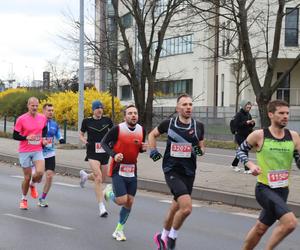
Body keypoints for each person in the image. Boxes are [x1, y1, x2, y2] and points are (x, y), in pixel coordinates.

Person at [236, 100, 299, 250]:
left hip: (283, 190)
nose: (285, 116)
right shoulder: (259, 135)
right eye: (281, 113)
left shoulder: (294, 136)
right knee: (290, 223)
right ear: (271, 114)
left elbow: (298, 161)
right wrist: (251, 165)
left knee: (260, 229)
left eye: (287, 113)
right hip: (264, 189)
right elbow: (240, 150)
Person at [148, 94, 205, 250]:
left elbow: (201, 148)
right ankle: (172, 236)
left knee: (175, 208)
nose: (188, 107)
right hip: (171, 169)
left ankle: (162, 237)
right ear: (178, 108)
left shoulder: (198, 126)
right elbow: (152, 135)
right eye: (184, 104)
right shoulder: (169, 123)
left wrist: (198, 151)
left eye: (190, 104)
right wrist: (153, 151)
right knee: (186, 208)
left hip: (189, 172)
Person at [101, 105, 146, 241]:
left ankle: (119, 230)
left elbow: (138, 147)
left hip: (132, 170)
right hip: (118, 169)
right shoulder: (118, 129)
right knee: (121, 200)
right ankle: (109, 192)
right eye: (130, 113)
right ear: (125, 116)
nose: (133, 115)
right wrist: (114, 155)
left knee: (129, 202)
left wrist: (143, 148)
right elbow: (104, 143)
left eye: (135, 113)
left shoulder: (141, 130)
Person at [79, 100, 113, 217]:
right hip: (92, 152)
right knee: (98, 178)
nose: (99, 110)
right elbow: (81, 134)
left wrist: (113, 144)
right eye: (97, 108)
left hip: (105, 152)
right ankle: (101, 207)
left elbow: (114, 133)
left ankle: (86, 176)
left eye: (101, 108)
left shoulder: (107, 120)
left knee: (102, 178)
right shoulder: (87, 121)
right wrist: (85, 141)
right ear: (93, 110)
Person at [13, 97, 47, 210]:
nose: (35, 108)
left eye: (37, 106)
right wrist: (26, 137)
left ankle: (33, 184)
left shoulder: (42, 118)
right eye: (33, 105)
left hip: (37, 149)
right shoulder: (21, 119)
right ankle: (23, 199)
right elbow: (15, 135)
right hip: (25, 151)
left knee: (40, 172)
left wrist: (44, 139)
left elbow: (44, 129)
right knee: (27, 177)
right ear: (28, 106)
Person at [38, 103, 65, 207]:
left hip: (50, 153)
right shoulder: (38, 122)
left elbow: (57, 133)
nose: (51, 112)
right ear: (44, 111)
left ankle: (42, 199)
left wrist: (61, 138)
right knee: (38, 177)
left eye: (52, 110)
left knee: (49, 176)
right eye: (49, 110)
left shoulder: (54, 124)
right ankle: (30, 185)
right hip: (38, 153)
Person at [231, 100, 255, 173]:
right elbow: (236, 125)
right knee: (244, 150)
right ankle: (247, 169)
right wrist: (246, 122)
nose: (249, 106)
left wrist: (252, 123)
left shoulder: (248, 114)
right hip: (239, 135)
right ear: (243, 105)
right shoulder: (239, 114)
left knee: (241, 151)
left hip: (246, 135)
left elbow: (249, 126)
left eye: (250, 105)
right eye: (247, 105)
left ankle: (234, 164)